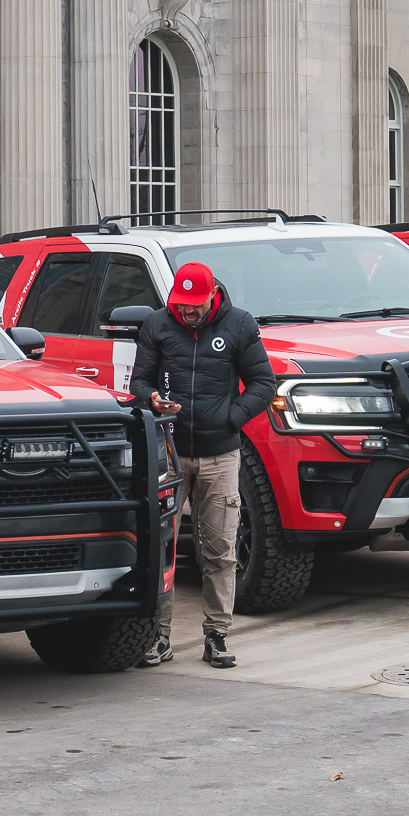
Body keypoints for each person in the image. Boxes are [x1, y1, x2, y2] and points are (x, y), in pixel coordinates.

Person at [131, 260, 277, 664]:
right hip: (170, 455)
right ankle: (159, 636)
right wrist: (152, 400)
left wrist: (231, 418)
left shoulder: (239, 325)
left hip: (220, 454)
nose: (188, 311)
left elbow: (264, 384)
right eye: (182, 304)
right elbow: (139, 381)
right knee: (161, 550)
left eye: (195, 305)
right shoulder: (158, 325)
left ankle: (217, 634)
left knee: (219, 550)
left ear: (213, 294)